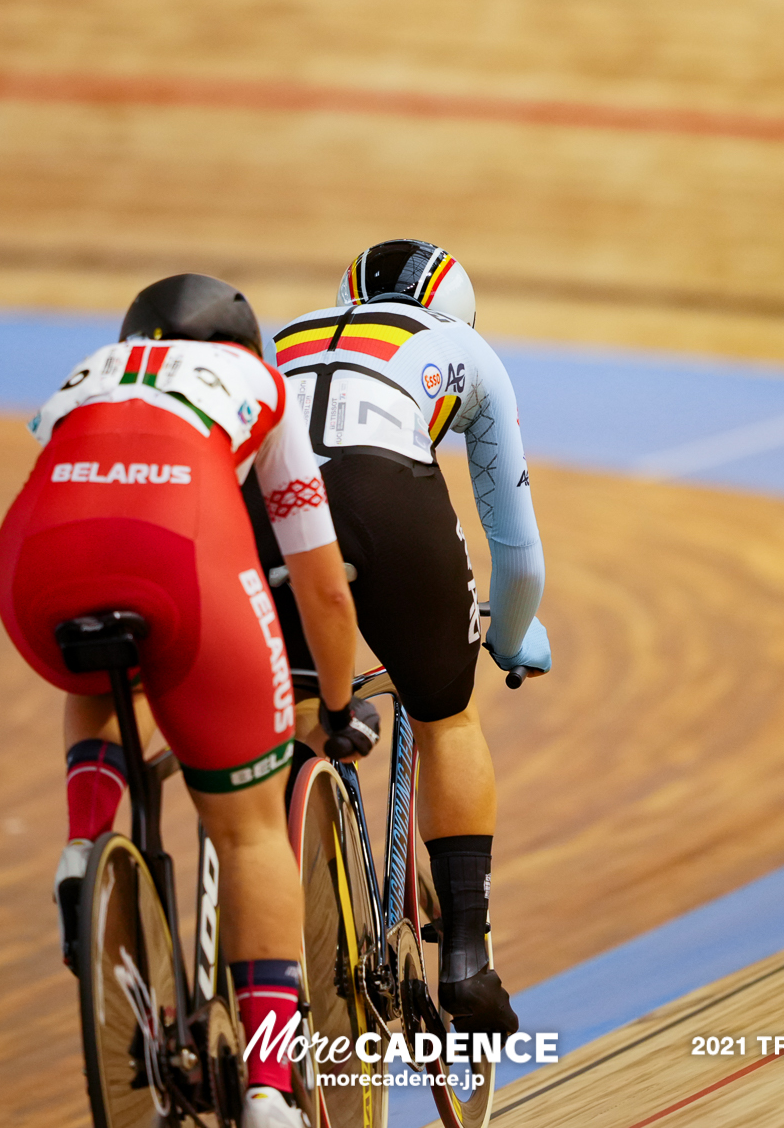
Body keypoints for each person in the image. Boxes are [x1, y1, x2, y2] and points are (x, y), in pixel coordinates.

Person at [0, 274, 362, 1128]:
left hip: (34, 566)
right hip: (183, 566)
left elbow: (92, 500)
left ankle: (86, 840)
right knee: (249, 824)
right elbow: (321, 588)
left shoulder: (88, 372)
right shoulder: (260, 387)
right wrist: (335, 705)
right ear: (241, 348)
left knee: (90, 664)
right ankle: (271, 1085)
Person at [260, 239, 549, 1037]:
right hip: (379, 493)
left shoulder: (287, 333)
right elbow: (517, 555)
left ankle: (274, 967)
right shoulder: (470, 352)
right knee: (444, 711)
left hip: (262, 505)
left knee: (300, 710)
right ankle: (465, 955)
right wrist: (514, 634)